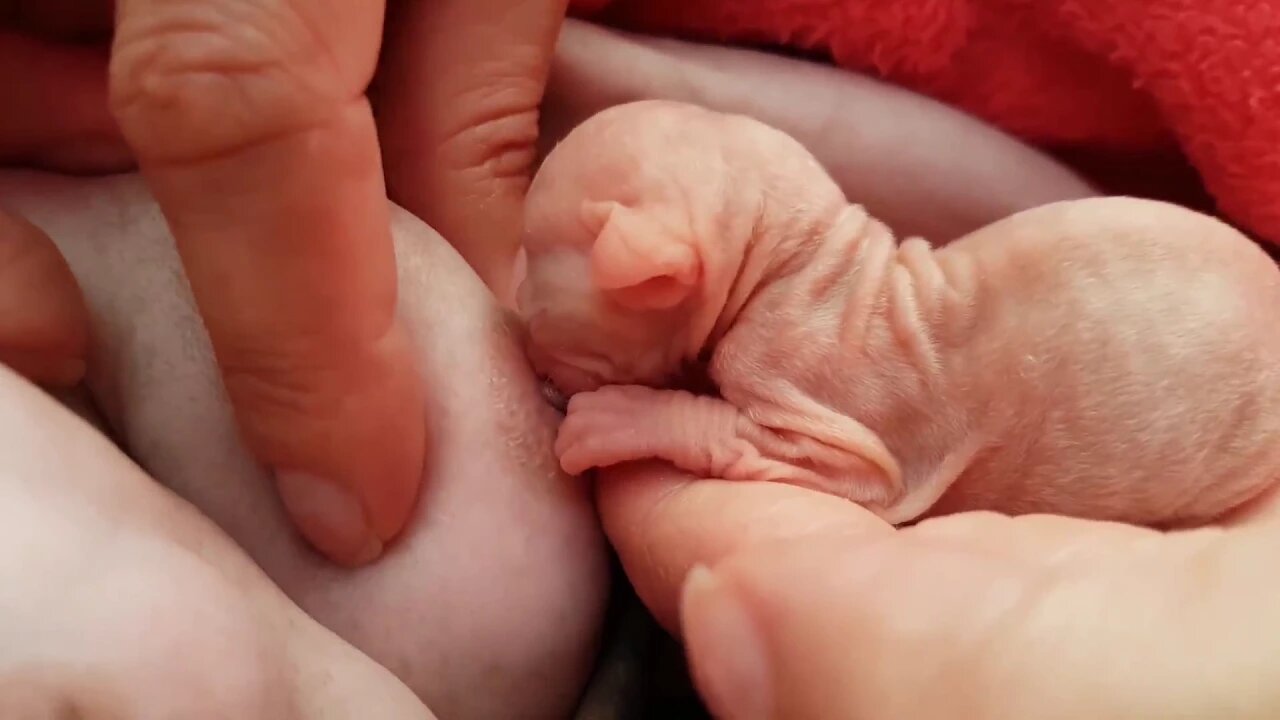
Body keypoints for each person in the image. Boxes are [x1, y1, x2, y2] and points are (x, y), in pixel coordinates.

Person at [4, 8, 1278, 720]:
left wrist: (666, 426)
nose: (533, 341)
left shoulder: (802, 334)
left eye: (550, 312)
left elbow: (828, 455)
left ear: (658, 271)